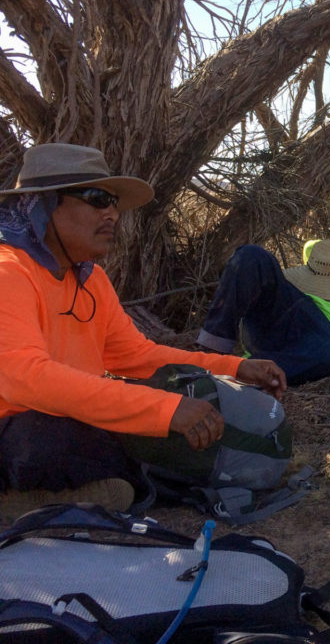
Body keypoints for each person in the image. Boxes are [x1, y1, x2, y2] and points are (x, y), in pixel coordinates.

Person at [0, 143, 287, 518]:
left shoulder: (91, 279)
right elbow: (26, 379)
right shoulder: (9, 272)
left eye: (114, 202)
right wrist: (163, 409)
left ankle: (94, 492)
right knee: (54, 441)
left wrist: (232, 367)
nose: (112, 214)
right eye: (96, 198)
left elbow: (138, 355)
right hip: (18, 429)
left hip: (65, 421)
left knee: (127, 436)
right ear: (45, 205)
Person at [197, 238, 330, 384]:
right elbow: (314, 247)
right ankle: (211, 354)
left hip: (314, 343)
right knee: (251, 255)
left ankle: (242, 370)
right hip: (291, 307)